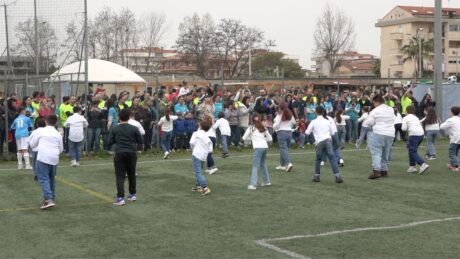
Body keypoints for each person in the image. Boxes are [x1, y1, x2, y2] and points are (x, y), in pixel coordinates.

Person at [107, 109, 144, 206]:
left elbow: (109, 142)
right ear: (129, 117)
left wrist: (109, 149)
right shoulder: (134, 128)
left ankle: (120, 197)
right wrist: (138, 148)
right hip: (132, 153)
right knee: (132, 174)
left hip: (119, 153)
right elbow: (140, 140)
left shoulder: (115, 128)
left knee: (120, 175)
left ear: (119, 117)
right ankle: (132, 194)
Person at [28, 115, 63, 209]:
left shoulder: (41, 131)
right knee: (51, 178)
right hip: (54, 158)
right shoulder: (58, 133)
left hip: (43, 157)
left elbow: (32, 144)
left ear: (46, 122)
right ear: (56, 123)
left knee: (43, 178)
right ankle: (51, 197)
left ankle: (48, 199)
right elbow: (61, 148)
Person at [305, 106, 343, 183]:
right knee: (332, 159)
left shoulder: (313, 122)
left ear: (315, 112)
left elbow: (307, 132)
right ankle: (337, 176)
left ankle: (317, 176)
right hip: (328, 141)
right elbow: (332, 133)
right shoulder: (327, 121)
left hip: (319, 142)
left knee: (318, 159)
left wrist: (313, 131)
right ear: (323, 112)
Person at [363, 94, 395, 179]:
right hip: (390, 133)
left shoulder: (375, 111)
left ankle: (376, 171)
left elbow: (369, 122)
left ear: (376, 101)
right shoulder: (391, 109)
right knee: (386, 152)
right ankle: (384, 170)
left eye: (374, 103)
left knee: (376, 152)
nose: (373, 105)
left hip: (378, 132)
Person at [243, 114, 273, 190]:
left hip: (258, 148)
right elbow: (270, 138)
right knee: (263, 164)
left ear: (251, 119)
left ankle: (253, 184)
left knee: (255, 166)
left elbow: (244, 138)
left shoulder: (251, 128)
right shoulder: (262, 127)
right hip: (265, 147)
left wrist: (252, 138)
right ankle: (266, 181)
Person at [402, 106, 429, 174]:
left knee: (412, 151)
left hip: (414, 135)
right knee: (412, 150)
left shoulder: (405, 118)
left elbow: (403, 128)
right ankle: (412, 166)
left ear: (406, 111)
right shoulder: (415, 117)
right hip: (421, 134)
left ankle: (423, 164)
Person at [190, 118, 213, 196]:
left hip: (196, 154)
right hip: (204, 156)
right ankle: (198, 185)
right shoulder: (207, 136)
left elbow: (191, 143)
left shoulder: (196, 133)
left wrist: (193, 149)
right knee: (199, 170)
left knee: (198, 172)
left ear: (200, 126)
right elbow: (210, 149)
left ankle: (205, 187)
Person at [273, 102, 296, 172]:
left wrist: (274, 126)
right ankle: (282, 165)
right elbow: (294, 122)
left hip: (281, 132)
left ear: (280, 108)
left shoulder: (280, 115)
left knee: (283, 149)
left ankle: (288, 163)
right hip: (289, 132)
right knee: (284, 149)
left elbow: (275, 125)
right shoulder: (290, 114)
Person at [440, 106, 460, 171]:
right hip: (458, 138)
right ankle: (453, 165)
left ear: (451, 112)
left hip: (455, 138)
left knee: (451, 153)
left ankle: (458, 165)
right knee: (455, 152)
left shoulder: (450, 120)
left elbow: (442, 127)